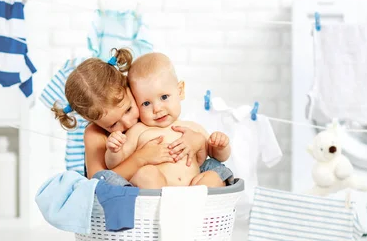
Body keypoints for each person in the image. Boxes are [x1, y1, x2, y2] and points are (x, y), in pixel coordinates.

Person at [51, 48, 232, 187]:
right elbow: (101, 183)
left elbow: (211, 151)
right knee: (146, 176)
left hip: (189, 184)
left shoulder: (158, 111)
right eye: (113, 124)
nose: (128, 122)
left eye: (129, 109)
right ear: (95, 122)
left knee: (217, 174)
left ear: (130, 89)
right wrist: (141, 157)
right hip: (147, 191)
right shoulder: (98, 133)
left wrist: (199, 141)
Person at [105, 52, 231, 189]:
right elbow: (115, 165)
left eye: (164, 97)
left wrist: (220, 145)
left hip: (192, 190)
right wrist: (114, 151)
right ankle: (163, 206)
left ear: (180, 91)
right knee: (146, 174)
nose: (157, 109)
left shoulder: (192, 128)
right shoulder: (139, 130)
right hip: (158, 194)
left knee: (214, 178)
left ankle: (196, 207)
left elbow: (218, 156)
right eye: (146, 103)